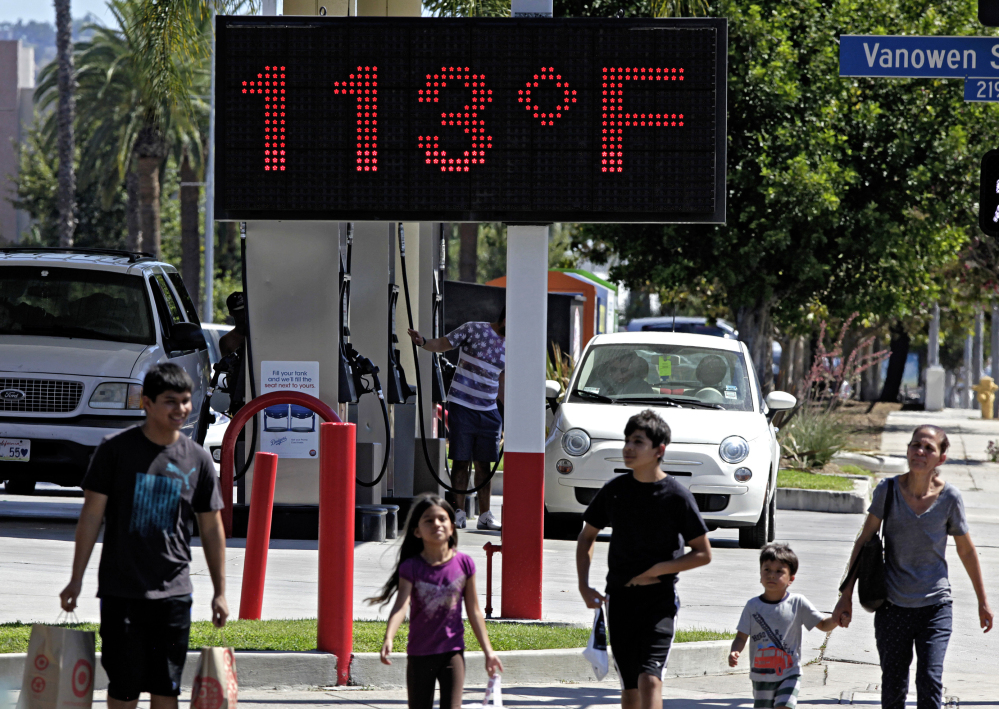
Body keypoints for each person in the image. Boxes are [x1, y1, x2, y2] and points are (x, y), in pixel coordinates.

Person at [59, 363, 228, 709]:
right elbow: (91, 517)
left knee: (166, 689)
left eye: (185, 401)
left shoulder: (197, 459)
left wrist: (220, 592)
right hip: (122, 591)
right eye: (170, 401)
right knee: (124, 689)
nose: (180, 409)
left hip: (174, 594)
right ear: (146, 403)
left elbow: (211, 528)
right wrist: (75, 579)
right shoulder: (114, 450)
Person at [832, 425, 993, 709]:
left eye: (929, 448)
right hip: (892, 607)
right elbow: (864, 541)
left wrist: (983, 601)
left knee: (930, 680)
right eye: (915, 445)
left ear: (941, 458)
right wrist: (845, 595)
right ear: (907, 450)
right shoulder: (888, 490)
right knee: (893, 686)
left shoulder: (950, 499)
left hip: (935, 607)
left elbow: (966, 550)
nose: (920, 451)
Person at [576, 409, 712, 709]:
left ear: (659, 450)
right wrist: (584, 586)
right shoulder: (614, 491)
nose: (628, 447)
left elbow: (703, 553)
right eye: (627, 440)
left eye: (638, 441)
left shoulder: (676, 496)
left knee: (649, 679)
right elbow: (586, 537)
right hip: (620, 600)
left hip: (659, 601)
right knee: (630, 688)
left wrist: (660, 570)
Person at [368, 493, 503, 709]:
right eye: (428, 520)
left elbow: (475, 611)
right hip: (420, 654)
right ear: (416, 531)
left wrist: (489, 652)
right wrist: (389, 637)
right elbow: (401, 605)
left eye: (442, 519)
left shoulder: (464, 564)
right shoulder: (411, 567)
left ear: (452, 527)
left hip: (453, 652)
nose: (436, 524)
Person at [407, 308, 505, 530]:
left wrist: (508, 413)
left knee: (485, 464)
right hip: (463, 406)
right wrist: (422, 342)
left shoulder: (512, 343)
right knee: (460, 461)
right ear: (506, 317)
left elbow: (502, 380)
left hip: (489, 411)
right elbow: (443, 344)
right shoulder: (474, 329)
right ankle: (458, 513)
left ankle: (485, 516)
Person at [729, 543, 840, 709]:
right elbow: (741, 636)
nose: (772, 575)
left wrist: (838, 618)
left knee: (785, 705)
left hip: (790, 672)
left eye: (779, 571)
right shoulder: (752, 606)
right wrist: (735, 651)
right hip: (761, 676)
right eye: (767, 570)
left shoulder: (798, 603)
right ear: (760, 574)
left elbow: (823, 625)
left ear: (791, 579)